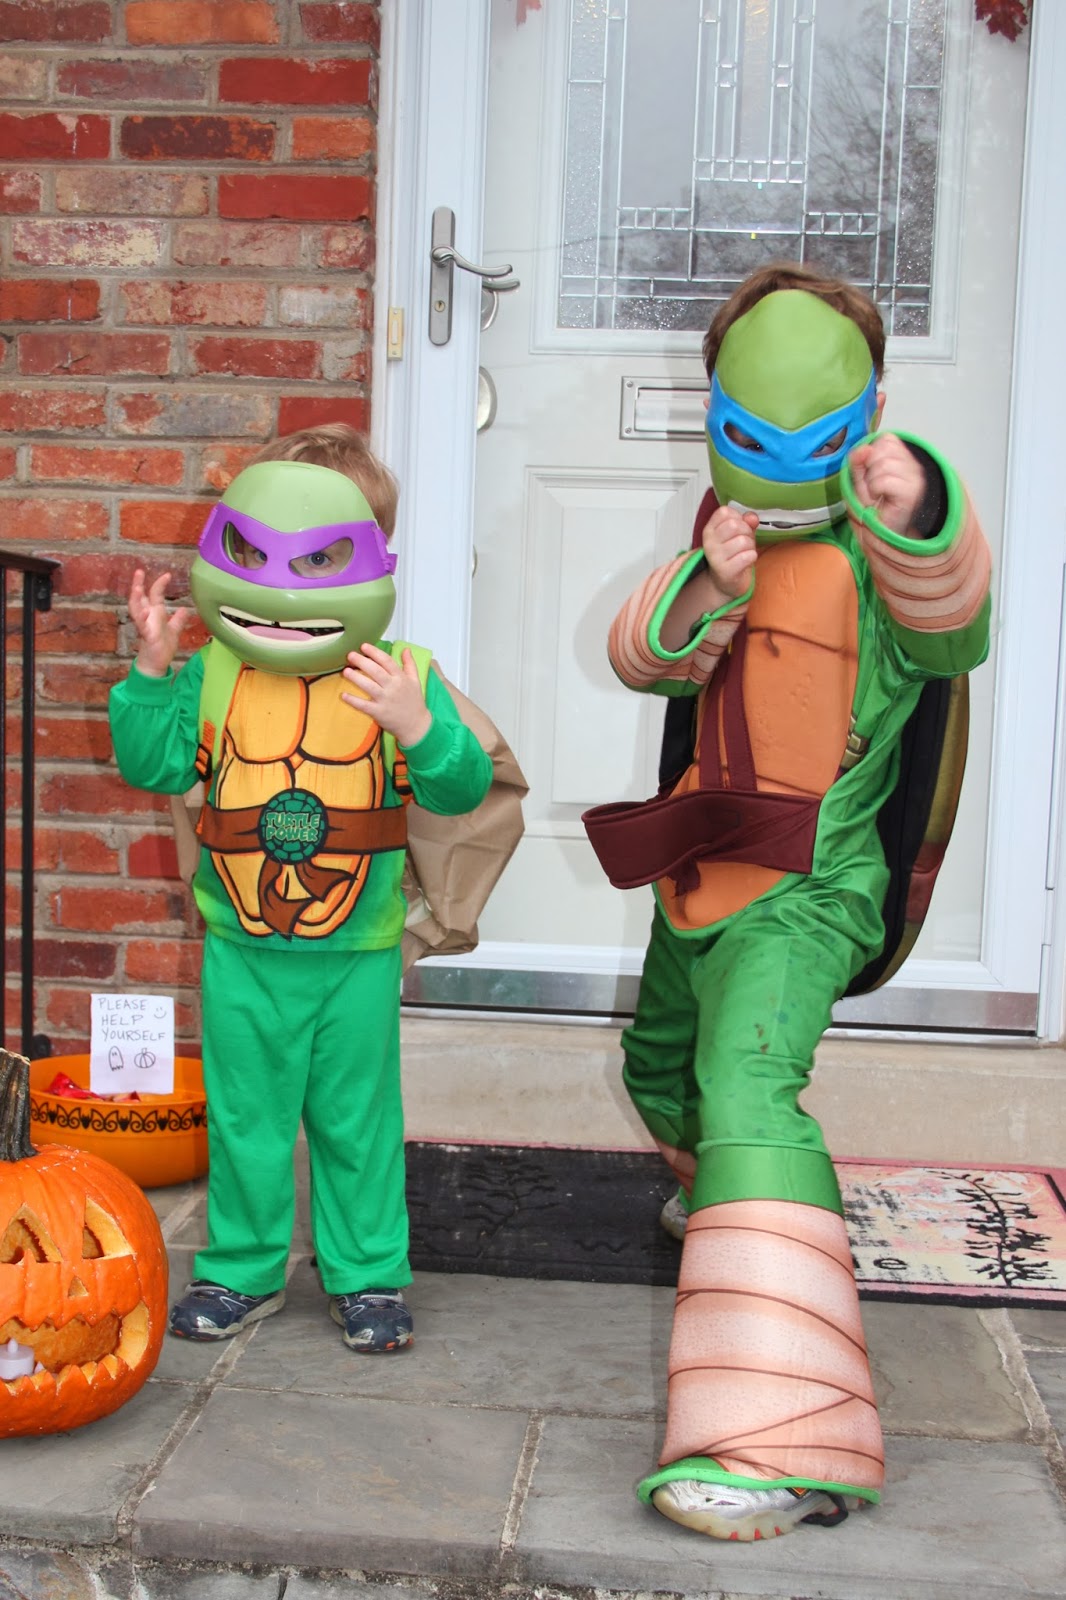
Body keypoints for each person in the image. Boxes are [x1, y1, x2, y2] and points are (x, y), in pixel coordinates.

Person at [583, 263, 992, 1541]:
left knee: (748, 1083)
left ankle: (777, 1433)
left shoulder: (884, 553)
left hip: (812, 887)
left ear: (871, 417)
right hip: (701, 872)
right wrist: (705, 582)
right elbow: (643, 659)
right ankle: (734, 1201)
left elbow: (954, 621)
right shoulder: (727, 534)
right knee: (662, 1071)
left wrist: (916, 507)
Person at [109, 424, 492, 1354]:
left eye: (322, 560)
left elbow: (461, 789)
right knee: (248, 1117)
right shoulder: (214, 672)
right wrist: (152, 670)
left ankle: (368, 1275)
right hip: (241, 947)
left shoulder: (399, 674)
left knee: (357, 1121)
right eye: (265, 556)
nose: (289, 589)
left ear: (372, 557)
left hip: (356, 949)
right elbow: (155, 767)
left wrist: (418, 726)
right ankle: (242, 1269)